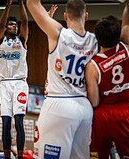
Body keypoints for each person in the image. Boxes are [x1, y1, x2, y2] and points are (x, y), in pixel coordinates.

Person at [27, 0, 98, 158]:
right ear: (86, 16)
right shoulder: (94, 42)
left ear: (65, 16)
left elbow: (31, 3)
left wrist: (48, 19)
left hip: (60, 103)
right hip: (84, 108)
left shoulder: (59, 33)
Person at [84, 0, 129, 158]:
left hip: (101, 115)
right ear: (117, 36)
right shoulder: (126, 46)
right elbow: (128, 23)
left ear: (97, 38)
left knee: (98, 155)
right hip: (123, 112)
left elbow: (95, 101)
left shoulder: (93, 65)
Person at [0, 0, 29, 159]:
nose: (14, 26)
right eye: (11, 24)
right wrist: (7, 6)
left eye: (15, 25)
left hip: (20, 83)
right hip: (4, 84)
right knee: (6, 122)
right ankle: (7, 157)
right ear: (6, 27)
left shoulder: (22, 40)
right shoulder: (0, 40)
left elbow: (25, 22)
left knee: (19, 121)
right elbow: (0, 26)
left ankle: (20, 156)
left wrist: (21, 3)